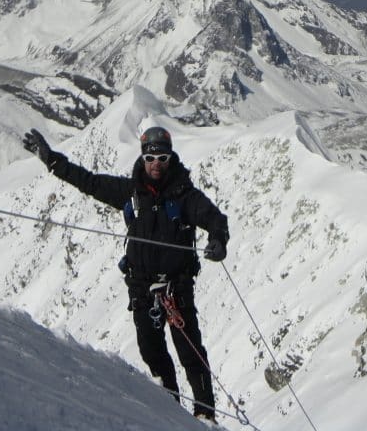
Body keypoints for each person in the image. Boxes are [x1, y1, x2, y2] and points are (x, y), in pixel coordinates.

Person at [22, 125, 229, 422]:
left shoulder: (186, 196)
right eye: (150, 158)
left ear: (171, 159)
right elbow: (89, 182)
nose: (156, 164)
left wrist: (218, 240)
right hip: (143, 290)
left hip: (177, 289)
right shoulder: (130, 192)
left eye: (162, 158)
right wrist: (53, 161)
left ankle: (205, 418)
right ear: (143, 158)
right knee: (152, 353)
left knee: (191, 353)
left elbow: (215, 219)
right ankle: (172, 414)